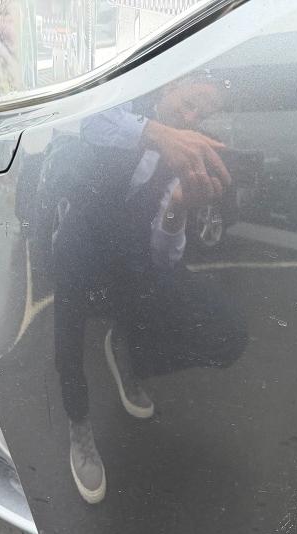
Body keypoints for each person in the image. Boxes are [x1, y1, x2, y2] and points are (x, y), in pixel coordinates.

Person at [49, 74, 247, 503]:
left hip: (131, 254)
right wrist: (157, 134)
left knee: (227, 332)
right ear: (170, 85)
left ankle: (126, 349)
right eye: (189, 102)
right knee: (69, 328)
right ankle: (79, 425)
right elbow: (88, 120)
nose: (190, 118)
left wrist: (178, 208)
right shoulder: (127, 97)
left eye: (202, 114)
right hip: (81, 238)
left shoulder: (184, 161)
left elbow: (163, 257)